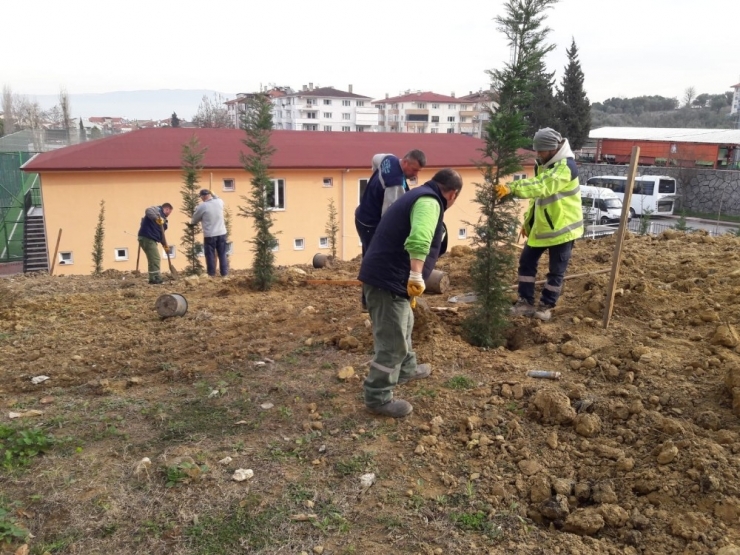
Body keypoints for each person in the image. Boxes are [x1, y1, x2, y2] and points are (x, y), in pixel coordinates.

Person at [359, 168, 463, 418]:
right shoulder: (429, 202)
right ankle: (377, 397)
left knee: (405, 324)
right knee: (392, 342)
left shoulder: (420, 194)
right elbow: (419, 239)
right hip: (387, 280)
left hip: (393, 278)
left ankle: (406, 369)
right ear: (453, 194)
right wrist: (416, 274)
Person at [495, 127, 583, 322]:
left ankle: (546, 306)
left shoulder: (565, 167)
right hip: (542, 228)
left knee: (556, 271)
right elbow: (538, 201)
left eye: (541, 150)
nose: (538, 154)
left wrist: (512, 188)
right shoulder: (545, 164)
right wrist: (529, 223)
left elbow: (542, 186)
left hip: (563, 229)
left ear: (552, 148)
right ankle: (525, 302)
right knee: (526, 262)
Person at [354, 149, 426, 309]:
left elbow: (374, 158)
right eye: (414, 170)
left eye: (418, 171)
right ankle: (369, 300)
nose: (415, 175)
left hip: (362, 215)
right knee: (374, 259)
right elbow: (390, 217)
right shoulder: (395, 184)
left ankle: (369, 298)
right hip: (370, 224)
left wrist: (377, 187)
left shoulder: (389, 159)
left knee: (370, 256)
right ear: (406, 162)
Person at [190, 189, 228, 277]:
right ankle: (224, 273)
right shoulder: (219, 202)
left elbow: (194, 220)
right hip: (222, 233)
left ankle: (211, 274)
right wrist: (215, 195)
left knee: (210, 255)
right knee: (222, 253)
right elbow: (219, 199)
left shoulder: (203, 206)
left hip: (210, 235)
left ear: (203, 196)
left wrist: (197, 211)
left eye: (201, 197)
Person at [137, 202, 173, 284]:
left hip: (151, 239)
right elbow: (148, 210)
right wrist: (156, 219)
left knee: (153, 257)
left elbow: (162, 235)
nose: (169, 214)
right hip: (147, 237)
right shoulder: (157, 210)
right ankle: (155, 278)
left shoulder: (164, 221)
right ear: (167, 209)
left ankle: (154, 277)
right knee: (155, 258)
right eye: (170, 212)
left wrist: (165, 246)